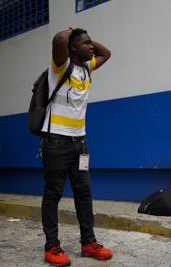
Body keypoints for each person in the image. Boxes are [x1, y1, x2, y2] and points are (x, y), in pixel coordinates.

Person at [40, 27, 111, 267]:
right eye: (85, 44)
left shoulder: (86, 68)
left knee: (84, 192)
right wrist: (70, 32)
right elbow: (58, 40)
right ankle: (51, 247)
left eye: (91, 44)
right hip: (55, 142)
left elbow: (107, 53)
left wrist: (88, 40)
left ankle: (88, 243)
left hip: (80, 142)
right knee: (53, 194)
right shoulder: (60, 66)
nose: (91, 48)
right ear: (71, 48)